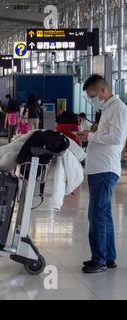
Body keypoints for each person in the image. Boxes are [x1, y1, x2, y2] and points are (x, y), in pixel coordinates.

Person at [77, 75, 127, 273]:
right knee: (104, 215)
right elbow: (105, 134)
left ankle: (99, 259)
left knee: (96, 215)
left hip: (105, 169)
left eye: (93, 95)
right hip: (98, 168)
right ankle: (108, 258)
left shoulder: (118, 109)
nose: (92, 99)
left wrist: (90, 136)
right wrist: (90, 131)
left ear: (103, 90)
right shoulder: (107, 109)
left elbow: (116, 138)